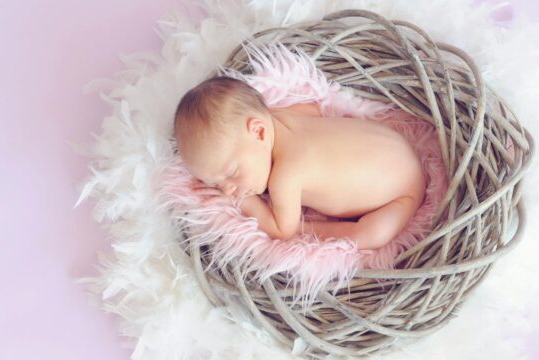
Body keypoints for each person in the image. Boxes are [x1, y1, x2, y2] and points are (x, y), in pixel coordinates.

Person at [173, 76, 426, 250]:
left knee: (369, 235)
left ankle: (316, 228)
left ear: (259, 132)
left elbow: (282, 230)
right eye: (215, 184)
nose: (228, 189)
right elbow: (314, 109)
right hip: (394, 143)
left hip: (402, 194)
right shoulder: (279, 116)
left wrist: (245, 202)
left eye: (232, 173)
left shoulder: (285, 176)